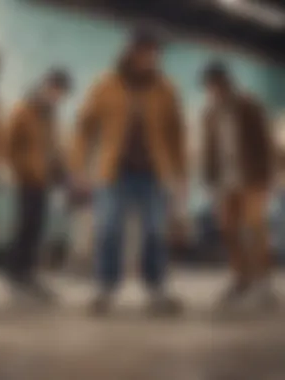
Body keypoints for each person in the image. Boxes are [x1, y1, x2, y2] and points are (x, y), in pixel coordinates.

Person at [69, 28, 187, 315]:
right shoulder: (105, 85)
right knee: (108, 230)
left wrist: (181, 175)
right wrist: (79, 169)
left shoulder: (166, 88)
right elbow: (84, 127)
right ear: (131, 53)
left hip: (153, 174)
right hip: (113, 173)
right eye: (145, 52)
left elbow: (176, 134)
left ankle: (156, 288)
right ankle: (105, 289)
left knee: (155, 232)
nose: (151, 58)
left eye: (154, 54)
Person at [201, 61, 274, 312]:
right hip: (225, 182)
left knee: (254, 228)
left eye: (215, 85)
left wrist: (266, 178)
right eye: (209, 87)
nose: (213, 91)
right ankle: (240, 279)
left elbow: (264, 143)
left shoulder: (248, 106)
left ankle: (262, 282)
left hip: (251, 179)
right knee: (229, 230)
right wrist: (209, 181)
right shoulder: (210, 113)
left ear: (225, 84)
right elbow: (209, 151)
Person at [4, 69, 72, 304]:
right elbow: (9, 143)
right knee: (26, 226)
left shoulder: (49, 115)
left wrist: (62, 171)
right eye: (54, 90)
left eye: (60, 93)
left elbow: (52, 147)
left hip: (44, 180)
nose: (56, 96)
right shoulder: (24, 110)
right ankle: (17, 275)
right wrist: (22, 169)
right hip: (27, 179)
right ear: (45, 86)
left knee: (36, 228)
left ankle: (28, 274)